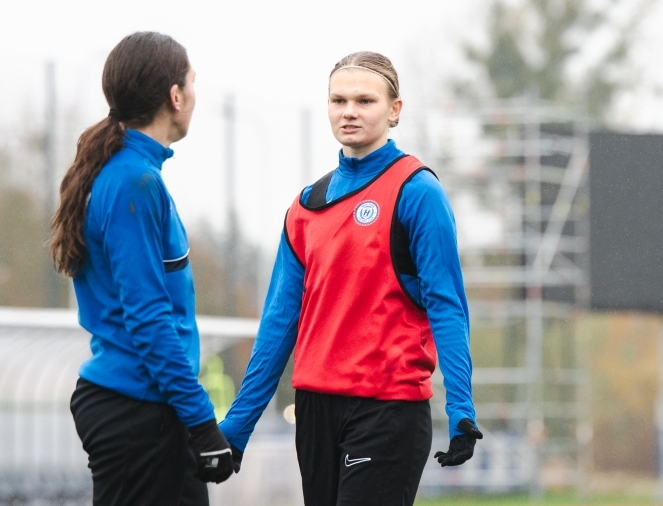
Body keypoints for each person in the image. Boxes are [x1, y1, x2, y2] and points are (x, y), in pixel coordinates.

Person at [218, 51, 482, 505]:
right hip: (315, 409)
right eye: (338, 100)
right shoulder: (305, 207)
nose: (350, 111)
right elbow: (279, 323)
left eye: (365, 100)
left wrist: (460, 407)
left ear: (394, 109)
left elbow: (447, 306)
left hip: (388, 409)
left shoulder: (417, 192)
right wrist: (237, 425)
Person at [49, 32, 233, 506]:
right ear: (176, 96)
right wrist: (201, 422)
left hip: (141, 410)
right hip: (139, 415)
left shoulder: (126, 172)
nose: (194, 94)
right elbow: (149, 318)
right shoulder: (135, 182)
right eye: (192, 83)